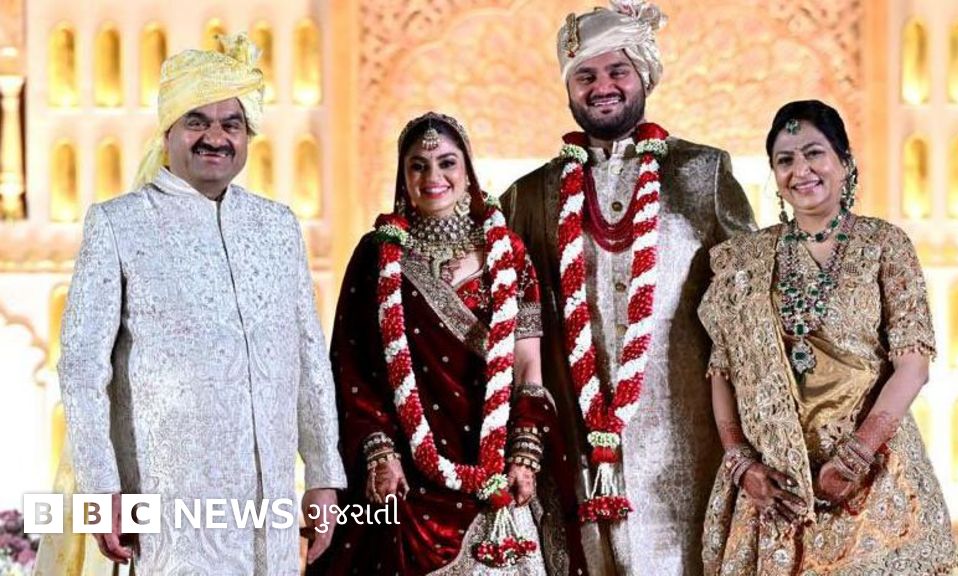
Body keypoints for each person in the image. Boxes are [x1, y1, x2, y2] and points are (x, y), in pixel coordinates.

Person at [47, 33, 347, 575]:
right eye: (196, 121)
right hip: (171, 513)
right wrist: (101, 491)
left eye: (231, 124)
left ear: (248, 135)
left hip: (272, 513)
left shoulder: (278, 227)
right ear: (168, 133)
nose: (215, 137)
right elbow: (82, 369)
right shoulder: (120, 224)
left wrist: (324, 475)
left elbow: (309, 360)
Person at [500, 2, 757, 573]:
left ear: (644, 74)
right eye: (585, 75)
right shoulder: (528, 196)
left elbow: (754, 306)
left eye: (617, 70)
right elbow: (505, 320)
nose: (603, 87)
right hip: (576, 452)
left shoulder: (703, 174)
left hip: (688, 448)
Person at [310, 112, 586, 576]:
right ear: (403, 175)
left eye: (446, 162)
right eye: (417, 166)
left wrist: (524, 453)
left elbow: (527, 367)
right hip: (405, 477)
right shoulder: (377, 256)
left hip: (494, 465)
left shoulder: (508, 254)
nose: (432, 176)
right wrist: (380, 453)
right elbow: (352, 371)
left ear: (468, 170)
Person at [698, 99, 958, 575]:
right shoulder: (744, 261)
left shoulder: (884, 245)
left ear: (844, 162)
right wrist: (741, 463)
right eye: (785, 159)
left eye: (814, 153)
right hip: (774, 488)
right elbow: (722, 370)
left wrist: (856, 457)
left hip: (874, 475)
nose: (801, 170)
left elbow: (913, 364)